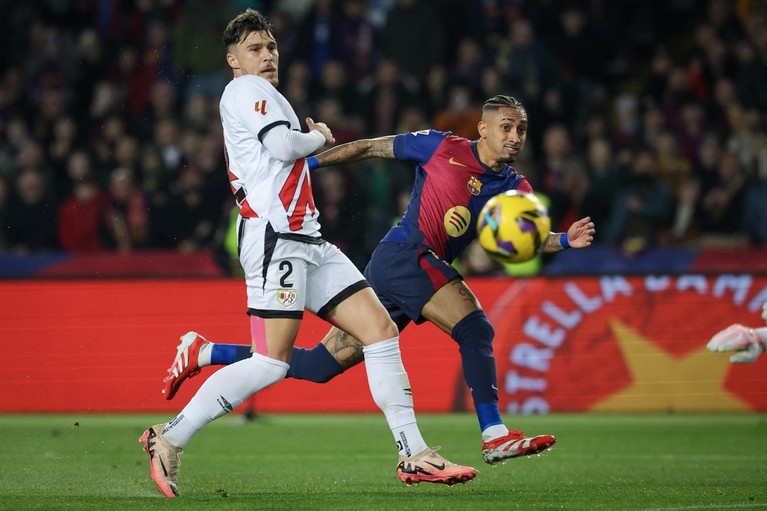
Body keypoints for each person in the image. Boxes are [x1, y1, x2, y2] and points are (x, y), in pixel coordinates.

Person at [139, 9, 477, 498]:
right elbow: (281, 146)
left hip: (307, 238)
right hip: (275, 237)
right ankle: (169, 438)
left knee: (380, 330)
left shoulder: (265, 94)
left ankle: (414, 453)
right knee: (272, 362)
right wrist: (319, 137)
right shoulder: (245, 90)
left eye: (271, 47)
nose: (268, 55)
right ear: (233, 61)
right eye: (255, 49)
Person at [164, 94, 596, 466]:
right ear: (482, 128)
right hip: (405, 256)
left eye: (521, 129)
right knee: (475, 327)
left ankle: (206, 350)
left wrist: (562, 240)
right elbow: (371, 147)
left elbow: (527, 239)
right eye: (506, 127)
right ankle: (493, 434)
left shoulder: (516, 187)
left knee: (318, 366)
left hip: (405, 271)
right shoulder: (440, 145)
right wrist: (309, 162)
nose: (515, 136)